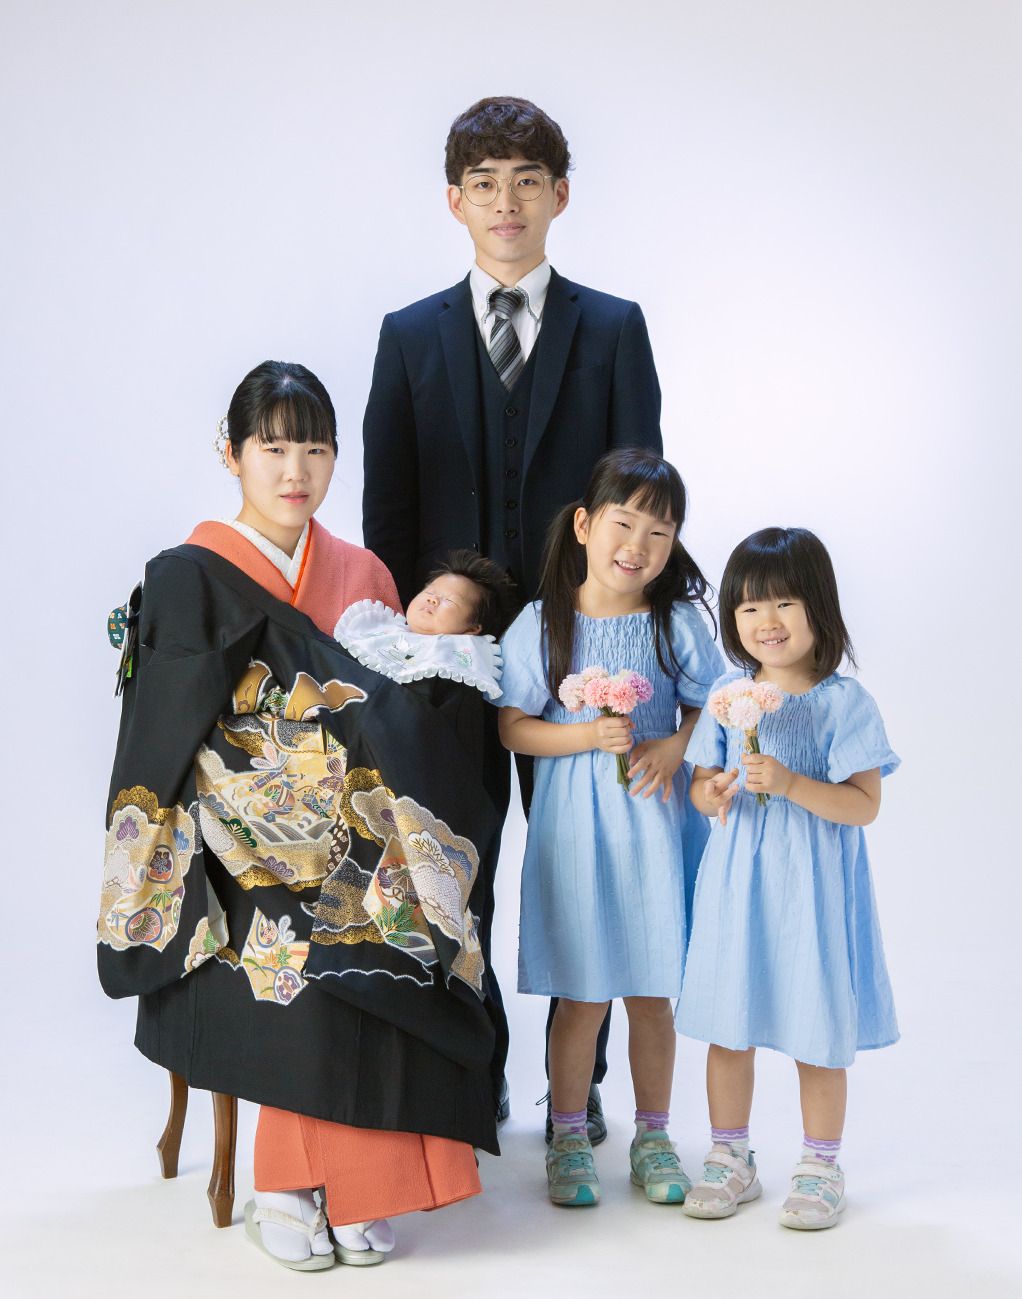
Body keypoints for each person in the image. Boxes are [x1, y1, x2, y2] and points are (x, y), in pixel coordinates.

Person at [98, 361, 501, 1271]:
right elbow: (169, 733)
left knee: (404, 904)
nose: (294, 471)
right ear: (231, 453)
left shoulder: (362, 570)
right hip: (232, 834)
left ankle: (353, 1179)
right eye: (273, 447)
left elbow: (401, 710)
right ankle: (290, 1181)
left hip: (359, 814)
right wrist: (268, 808)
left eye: (314, 450)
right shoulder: (189, 572)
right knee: (299, 918)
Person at [362, 97, 664, 1135]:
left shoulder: (613, 329)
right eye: (484, 183)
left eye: (526, 181)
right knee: (457, 861)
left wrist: (626, 625)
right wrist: (412, 647)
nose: (506, 202)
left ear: (559, 196)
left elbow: (638, 493)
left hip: (581, 650)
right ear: (455, 201)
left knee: (594, 860)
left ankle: (581, 1089)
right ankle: (470, 1067)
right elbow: (390, 511)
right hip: (452, 657)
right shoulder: (409, 336)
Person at [497, 449, 724, 1207]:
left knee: (653, 993)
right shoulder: (544, 621)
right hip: (577, 829)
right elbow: (512, 726)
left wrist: (674, 744)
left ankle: (653, 1135)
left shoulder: (675, 622)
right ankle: (567, 1136)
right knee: (582, 995)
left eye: (659, 532)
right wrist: (585, 737)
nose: (638, 546)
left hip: (657, 828)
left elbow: (712, 704)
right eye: (623, 524)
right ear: (584, 525)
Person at [678, 527, 899, 1230]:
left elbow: (863, 805)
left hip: (811, 889)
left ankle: (820, 1165)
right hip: (736, 881)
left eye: (783, 603)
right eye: (748, 607)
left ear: (818, 608)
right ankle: (729, 1157)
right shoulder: (727, 693)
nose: (765, 621)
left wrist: (793, 783)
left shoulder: (844, 702)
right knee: (727, 1024)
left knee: (815, 1023)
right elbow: (700, 785)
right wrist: (712, 792)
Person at [334, 551, 520, 701]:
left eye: (449, 600)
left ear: (471, 629)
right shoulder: (381, 630)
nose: (432, 599)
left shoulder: (457, 662)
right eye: (429, 592)